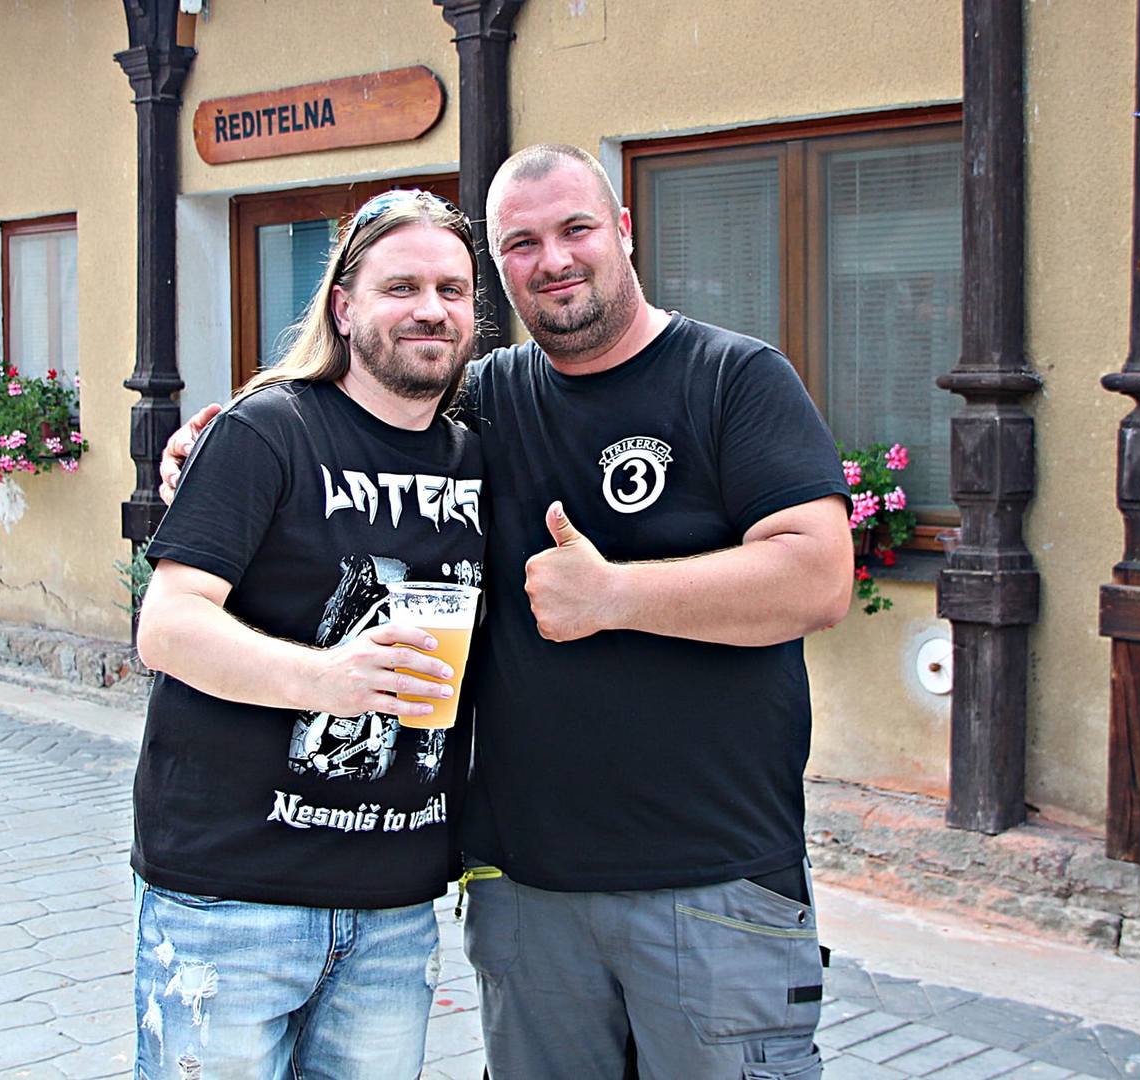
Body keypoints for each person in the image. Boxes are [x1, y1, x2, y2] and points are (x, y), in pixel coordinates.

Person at [162, 146, 853, 1078]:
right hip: (526, 894)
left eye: (576, 229)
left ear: (623, 232)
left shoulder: (733, 377)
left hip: (711, 884)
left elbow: (819, 577)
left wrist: (616, 595)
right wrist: (213, 452)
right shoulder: (483, 400)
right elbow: (358, 417)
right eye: (521, 243)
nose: (553, 260)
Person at [131, 189, 485, 1079]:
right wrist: (327, 680)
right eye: (400, 286)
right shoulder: (268, 431)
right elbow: (168, 626)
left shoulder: (482, 456)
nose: (431, 308)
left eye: (452, 289)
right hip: (233, 896)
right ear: (344, 306)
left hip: (396, 904)